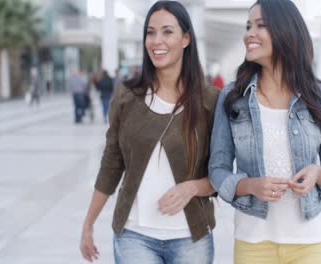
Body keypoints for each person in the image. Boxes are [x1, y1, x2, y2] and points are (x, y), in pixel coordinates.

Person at [80, 1, 219, 263]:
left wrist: (192, 187)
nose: (157, 41)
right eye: (150, 32)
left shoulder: (210, 100)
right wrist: (88, 223)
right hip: (134, 236)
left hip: (191, 238)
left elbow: (222, 172)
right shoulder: (127, 94)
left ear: (186, 38)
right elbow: (112, 162)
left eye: (167, 32)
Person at [209, 0, 321, 263]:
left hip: (310, 242)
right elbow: (217, 170)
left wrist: (317, 174)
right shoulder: (232, 98)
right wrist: (250, 185)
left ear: (285, 30)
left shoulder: (318, 96)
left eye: (260, 25)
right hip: (253, 241)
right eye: (248, 26)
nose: (249, 33)